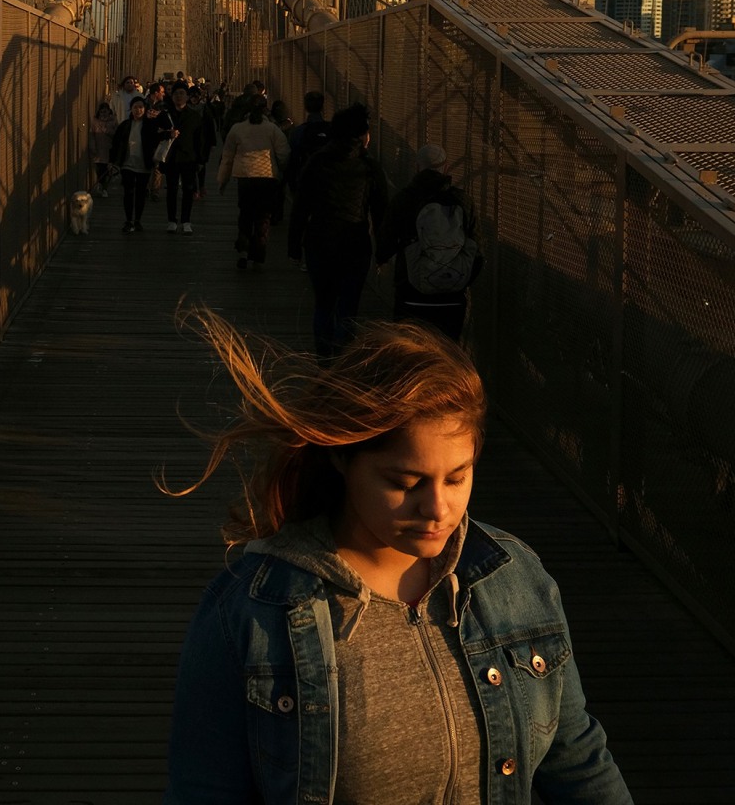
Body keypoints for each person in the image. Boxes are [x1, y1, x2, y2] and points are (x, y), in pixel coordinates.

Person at [165, 313, 634, 805]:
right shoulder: (249, 613)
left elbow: (578, 759)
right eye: (404, 483)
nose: (437, 508)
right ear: (342, 457)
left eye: (457, 477)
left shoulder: (513, 578)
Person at [290, 103, 388, 359]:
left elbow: (301, 206)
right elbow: (380, 212)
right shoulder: (370, 168)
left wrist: (293, 245)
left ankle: (324, 360)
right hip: (354, 244)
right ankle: (343, 359)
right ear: (362, 135)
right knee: (348, 306)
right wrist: (384, 252)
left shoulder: (317, 162)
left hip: (319, 241)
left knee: (324, 304)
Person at [378, 143, 482, 341]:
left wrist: (381, 259)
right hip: (452, 296)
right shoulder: (462, 201)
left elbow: (386, 241)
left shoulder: (404, 199)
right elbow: (477, 247)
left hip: (411, 292)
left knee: (410, 350)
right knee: (446, 354)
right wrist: (462, 280)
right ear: (446, 167)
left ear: (417, 167)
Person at [216, 94, 289, 270]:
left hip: (245, 178)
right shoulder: (272, 129)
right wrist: (280, 172)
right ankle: (258, 256)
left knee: (246, 214)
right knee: (263, 217)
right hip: (267, 177)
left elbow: (227, 157)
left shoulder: (237, 129)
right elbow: (284, 153)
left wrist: (222, 180)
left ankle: (243, 250)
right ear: (266, 109)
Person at [284, 91, 333, 264]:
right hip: (330, 183)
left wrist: (290, 183)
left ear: (305, 107)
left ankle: (304, 255)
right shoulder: (332, 130)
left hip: (305, 181)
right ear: (323, 106)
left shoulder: (299, 132)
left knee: (303, 217)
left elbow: (292, 158)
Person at [109, 96, 166, 232]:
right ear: (131, 109)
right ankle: (128, 220)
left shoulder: (150, 125)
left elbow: (161, 133)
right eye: (135, 107)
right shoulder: (125, 125)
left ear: (145, 109)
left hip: (144, 163)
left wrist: (159, 118)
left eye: (141, 107)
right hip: (127, 163)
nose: (138, 110)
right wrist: (112, 162)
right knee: (128, 191)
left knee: (141, 193)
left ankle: (138, 220)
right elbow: (115, 144)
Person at [160, 82, 208, 233]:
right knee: (172, 190)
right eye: (176, 94)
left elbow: (200, 140)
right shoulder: (165, 115)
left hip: (189, 158)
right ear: (171, 96)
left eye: (182, 93)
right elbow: (156, 135)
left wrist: (201, 160)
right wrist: (168, 134)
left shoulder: (194, 116)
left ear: (187, 96)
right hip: (171, 158)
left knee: (188, 190)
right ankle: (172, 220)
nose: (179, 96)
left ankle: (186, 221)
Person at [89, 102, 118, 197]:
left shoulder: (113, 121)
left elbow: (116, 134)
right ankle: (101, 185)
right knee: (99, 169)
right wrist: (92, 146)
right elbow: (92, 134)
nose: (103, 114)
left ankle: (104, 188)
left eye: (105, 112)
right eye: (101, 112)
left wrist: (108, 131)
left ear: (109, 112)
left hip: (109, 148)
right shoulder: (95, 121)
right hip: (98, 148)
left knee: (107, 170)